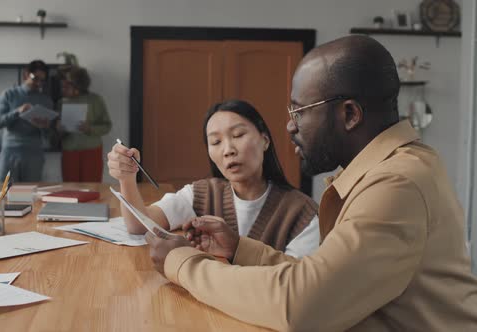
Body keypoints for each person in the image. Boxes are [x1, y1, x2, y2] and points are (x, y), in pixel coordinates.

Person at [144, 35, 477, 331]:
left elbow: (300, 305)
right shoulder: (386, 170)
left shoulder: (396, 184)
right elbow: (325, 282)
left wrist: (182, 262)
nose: (289, 127)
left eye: (299, 112)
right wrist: (240, 249)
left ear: (350, 115)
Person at [108, 99, 319, 256]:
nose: (228, 150)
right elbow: (139, 225)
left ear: (264, 140)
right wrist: (127, 178)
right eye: (216, 142)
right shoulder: (202, 194)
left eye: (238, 135)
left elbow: (294, 287)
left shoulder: (303, 214)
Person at [0, 60, 54, 183]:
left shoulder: (47, 101)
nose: (38, 83)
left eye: (42, 80)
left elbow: (49, 136)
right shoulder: (9, 94)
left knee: (31, 196)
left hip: (34, 154)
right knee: (3, 194)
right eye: (35, 78)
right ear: (26, 75)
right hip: (10, 152)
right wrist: (17, 111)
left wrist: (44, 127)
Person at [57, 66, 112, 182]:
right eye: (63, 85)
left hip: (91, 151)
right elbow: (55, 133)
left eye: (68, 85)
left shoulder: (95, 100)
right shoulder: (62, 102)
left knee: (92, 188)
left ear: (78, 85)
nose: (64, 88)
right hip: (69, 152)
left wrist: (89, 128)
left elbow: (107, 126)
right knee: (70, 190)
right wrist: (59, 129)